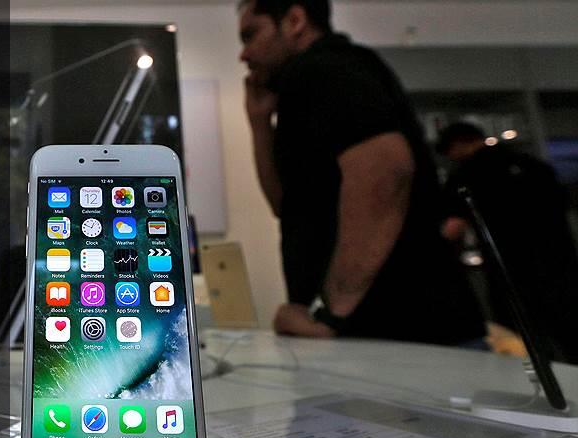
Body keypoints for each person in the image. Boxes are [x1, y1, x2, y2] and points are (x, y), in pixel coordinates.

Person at [238, 0, 487, 346]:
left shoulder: (320, 68)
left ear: (294, 20)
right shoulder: (329, 72)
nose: (244, 54)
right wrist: (260, 123)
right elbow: (285, 204)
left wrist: (330, 313)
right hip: (403, 335)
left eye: (251, 35)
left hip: (399, 334)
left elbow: (386, 171)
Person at [436, 122, 578, 363]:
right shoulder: (532, 164)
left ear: (458, 145)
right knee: (570, 333)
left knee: (522, 346)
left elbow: (453, 228)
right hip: (558, 263)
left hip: (510, 270)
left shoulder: (465, 175)